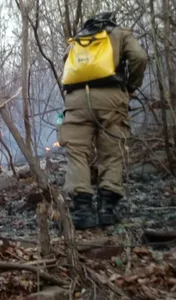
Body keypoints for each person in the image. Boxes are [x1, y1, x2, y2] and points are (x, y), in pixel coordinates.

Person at [59, 12, 148, 229]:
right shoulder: (119, 33)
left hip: (77, 99)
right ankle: (107, 209)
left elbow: (66, 64)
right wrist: (129, 88)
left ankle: (82, 211)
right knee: (112, 150)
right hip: (110, 96)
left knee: (77, 151)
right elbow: (139, 57)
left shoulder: (80, 38)